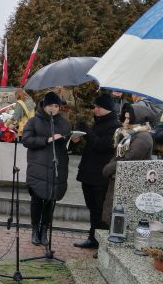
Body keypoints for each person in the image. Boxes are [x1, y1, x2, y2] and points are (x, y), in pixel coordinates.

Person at [22, 91, 72, 246]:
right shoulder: (33, 121)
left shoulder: (64, 123)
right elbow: (26, 140)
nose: (53, 108)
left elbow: (67, 145)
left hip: (57, 167)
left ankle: (44, 230)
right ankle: (35, 229)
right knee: (37, 199)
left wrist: (74, 140)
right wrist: (47, 139)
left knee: (51, 200)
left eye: (56, 105)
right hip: (38, 168)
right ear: (44, 105)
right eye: (50, 105)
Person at [72, 93, 121, 249]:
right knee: (92, 207)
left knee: (99, 209)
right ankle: (93, 237)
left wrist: (88, 132)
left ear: (107, 108)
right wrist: (78, 137)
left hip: (101, 175)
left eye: (99, 107)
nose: (95, 109)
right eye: (95, 106)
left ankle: (100, 242)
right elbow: (90, 144)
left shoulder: (115, 126)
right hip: (88, 172)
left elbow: (102, 145)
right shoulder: (97, 122)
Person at [102, 103, 155, 227]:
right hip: (121, 181)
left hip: (130, 183)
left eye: (128, 118)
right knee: (114, 219)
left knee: (121, 220)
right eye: (124, 118)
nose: (125, 122)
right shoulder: (131, 135)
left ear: (138, 119)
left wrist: (108, 168)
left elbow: (129, 159)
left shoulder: (143, 137)